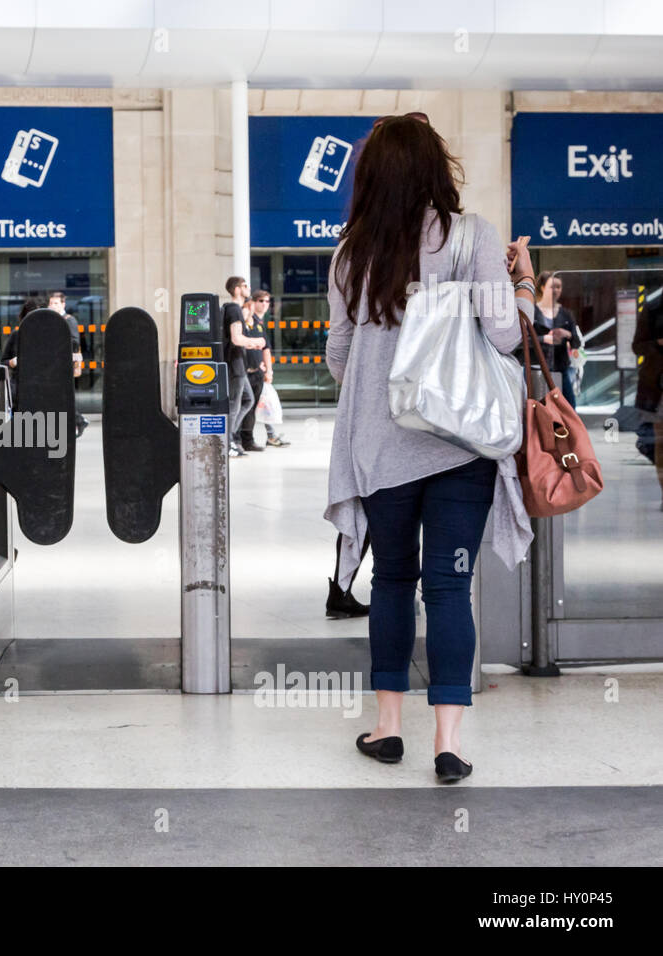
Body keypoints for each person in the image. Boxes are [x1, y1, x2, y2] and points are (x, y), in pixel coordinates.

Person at [324, 113, 532, 783]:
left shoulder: (351, 251)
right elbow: (504, 337)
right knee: (449, 587)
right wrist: (522, 283)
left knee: (392, 580)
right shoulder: (471, 236)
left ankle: (388, 727)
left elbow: (338, 358)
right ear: (437, 169)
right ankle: (448, 742)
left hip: (381, 448)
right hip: (459, 444)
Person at [239, 290, 291, 450]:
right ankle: (240, 438)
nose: (265, 304)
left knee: (258, 405)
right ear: (252, 303)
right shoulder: (245, 322)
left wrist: (268, 370)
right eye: (261, 301)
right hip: (245, 372)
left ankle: (260, 437)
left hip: (257, 372)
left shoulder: (259, 324)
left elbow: (265, 349)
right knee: (246, 405)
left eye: (268, 301)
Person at [222, 276, 263, 458]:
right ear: (237, 289)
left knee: (248, 400)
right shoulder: (233, 309)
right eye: (245, 285)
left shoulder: (234, 310)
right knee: (234, 404)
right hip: (234, 364)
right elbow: (236, 338)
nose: (248, 288)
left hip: (239, 364)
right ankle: (227, 441)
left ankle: (230, 436)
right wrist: (257, 341)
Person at [532, 271, 582, 407]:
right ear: (542, 288)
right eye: (552, 286)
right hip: (537, 370)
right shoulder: (532, 312)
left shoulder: (566, 314)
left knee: (569, 408)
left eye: (558, 287)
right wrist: (544, 339)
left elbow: (577, 343)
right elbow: (522, 341)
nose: (556, 290)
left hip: (560, 369)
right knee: (541, 410)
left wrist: (568, 334)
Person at [634, 286, 663, 510]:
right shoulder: (653, 308)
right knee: (660, 444)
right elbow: (638, 346)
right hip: (657, 388)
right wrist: (657, 344)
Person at [48, 291, 89, 438]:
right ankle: (77, 421)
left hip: (65, 364)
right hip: (54, 364)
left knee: (62, 395)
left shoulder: (69, 320)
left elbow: (74, 341)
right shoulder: (51, 320)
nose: (53, 306)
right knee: (58, 395)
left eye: (56, 303)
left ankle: (78, 420)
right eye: (51, 303)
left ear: (63, 304)